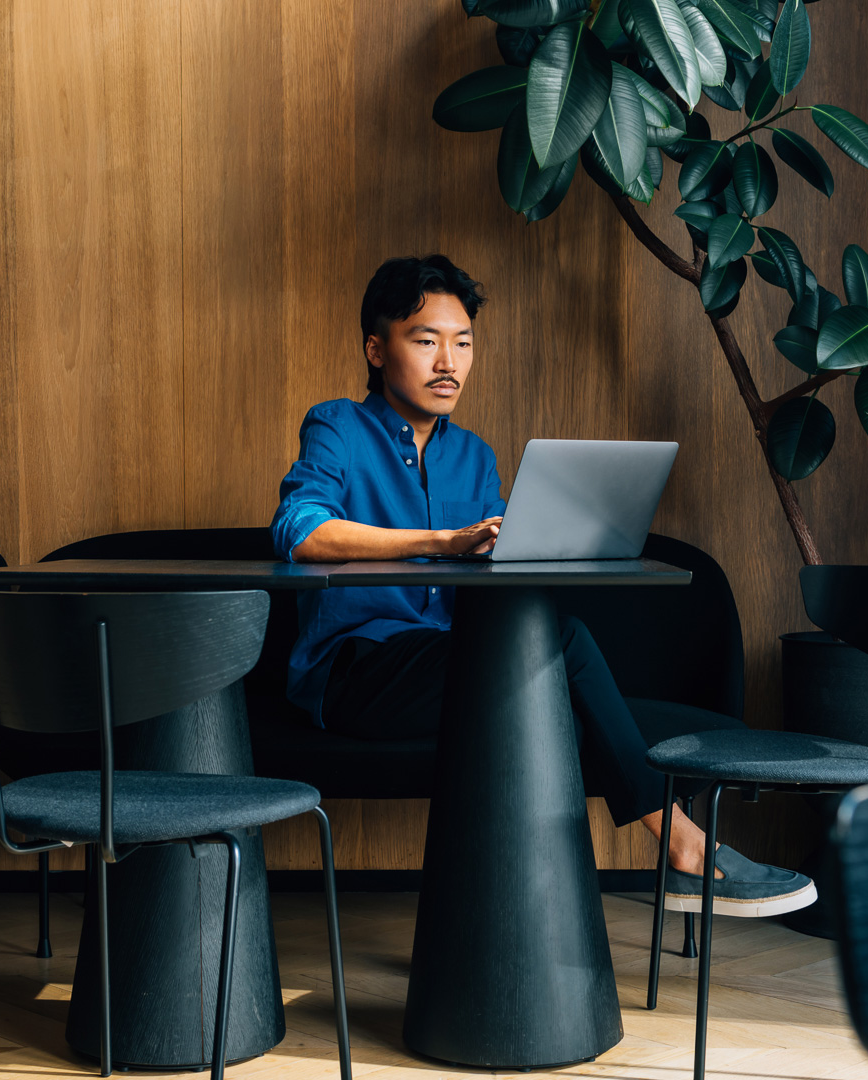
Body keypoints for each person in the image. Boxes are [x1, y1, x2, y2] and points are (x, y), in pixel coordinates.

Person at [270, 254, 816, 916]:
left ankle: (577, 898)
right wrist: (442, 543)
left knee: (551, 662)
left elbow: (491, 573)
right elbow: (301, 532)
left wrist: (542, 546)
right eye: (426, 340)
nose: (450, 362)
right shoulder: (336, 426)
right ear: (376, 349)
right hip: (360, 672)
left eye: (463, 342)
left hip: (454, 665)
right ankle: (686, 850)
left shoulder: (472, 455)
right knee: (562, 645)